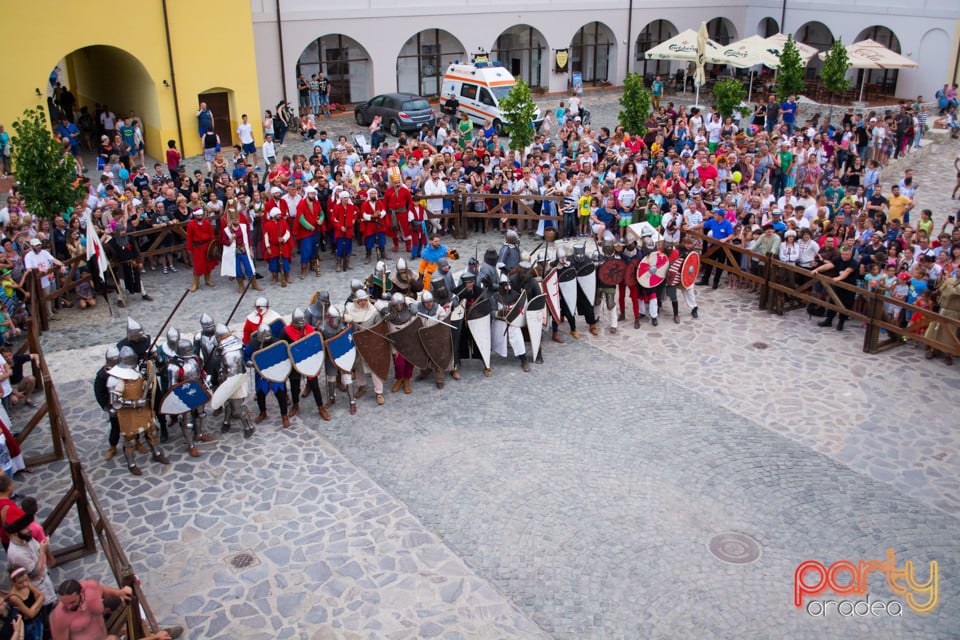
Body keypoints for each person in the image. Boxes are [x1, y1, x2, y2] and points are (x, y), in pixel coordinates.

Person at [50, 579, 182, 640]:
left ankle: (157, 635)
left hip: (105, 635)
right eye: (64, 603)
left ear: (81, 592)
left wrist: (119, 592)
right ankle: (158, 636)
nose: (67, 606)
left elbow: (103, 591)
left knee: (115, 636)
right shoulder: (60, 617)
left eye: (71, 602)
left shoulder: (91, 587)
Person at [282, 309, 331, 420]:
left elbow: (316, 345)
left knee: (314, 386)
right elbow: (282, 349)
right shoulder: (285, 332)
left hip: (309, 361)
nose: (300, 327)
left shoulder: (310, 330)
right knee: (295, 386)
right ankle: (295, 404)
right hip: (294, 363)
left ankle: (320, 407)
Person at [246, 323, 290, 428]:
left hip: (276, 373)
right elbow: (246, 356)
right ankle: (263, 412)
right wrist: (251, 363)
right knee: (260, 395)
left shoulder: (276, 343)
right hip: (261, 374)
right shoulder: (252, 345)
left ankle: (284, 416)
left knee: (281, 395)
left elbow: (284, 356)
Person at [7, 565, 44, 640]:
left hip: (38, 618)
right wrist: (38, 604)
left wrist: (33, 609)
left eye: (26, 580)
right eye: (20, 583)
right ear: (13, 582)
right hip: (30, 626)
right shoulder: (14, 597)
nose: (25, 584)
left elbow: (42, 595)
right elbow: (30, 615)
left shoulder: (26, 584)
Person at [262, 206, 293, 287]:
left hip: (283, 246)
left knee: (285, 262)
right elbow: (266, 237)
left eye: (280, 214)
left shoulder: (283, 222)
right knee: (273, 263)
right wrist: (268, 247)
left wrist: (283, 238)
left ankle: (287, 276)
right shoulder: (267, 225)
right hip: (273, 247)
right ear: (273, 215)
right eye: (278, 214)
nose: (280, 215)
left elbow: (287, 232)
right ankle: (275, 277)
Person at [331, 190, 358, 273]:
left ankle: (347, 261)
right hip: (341, 231)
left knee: (348, 246)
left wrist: (354, 219)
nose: (346, 199)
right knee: (340, 247)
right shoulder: (337, 207)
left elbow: (356, 212)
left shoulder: (351, 206)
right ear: (341, 199)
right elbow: (333, 219)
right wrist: (340, 226)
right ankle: (338, 263)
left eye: (347, 198)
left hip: (349, 230)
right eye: (344, 198)